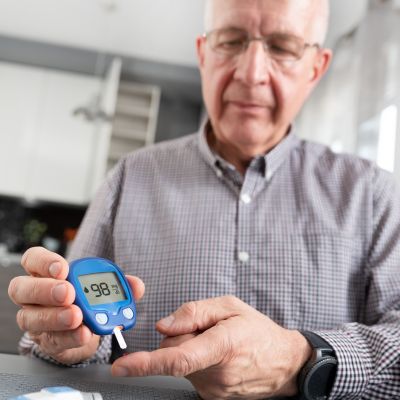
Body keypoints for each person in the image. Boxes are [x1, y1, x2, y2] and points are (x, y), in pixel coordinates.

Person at [8, 0, 400, 399]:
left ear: (316, 68)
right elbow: (61, 340)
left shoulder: (374, 195)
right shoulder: (130, 177)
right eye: (231, 41)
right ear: (203, 54)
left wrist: (303, 359)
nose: (251, 74)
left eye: (282, 47)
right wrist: (67, 342)